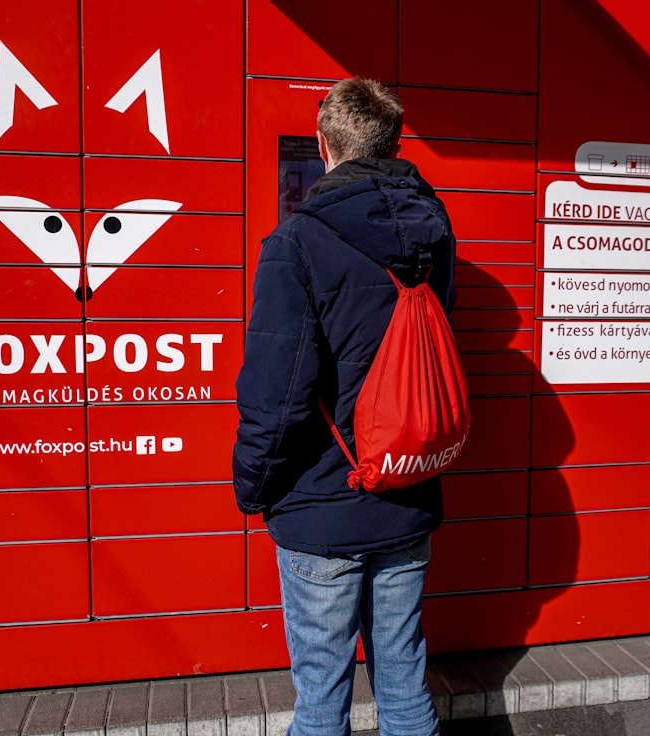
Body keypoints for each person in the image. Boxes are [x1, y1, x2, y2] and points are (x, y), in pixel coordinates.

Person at [232, 77, 456, 736]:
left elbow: (276, 393)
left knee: (323, 697)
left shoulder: (296, 243)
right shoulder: (434, 231)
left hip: (322, 505)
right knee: (404, 678)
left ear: (325, 145)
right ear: (391, 144)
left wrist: (252, 487)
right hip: (408, 490)